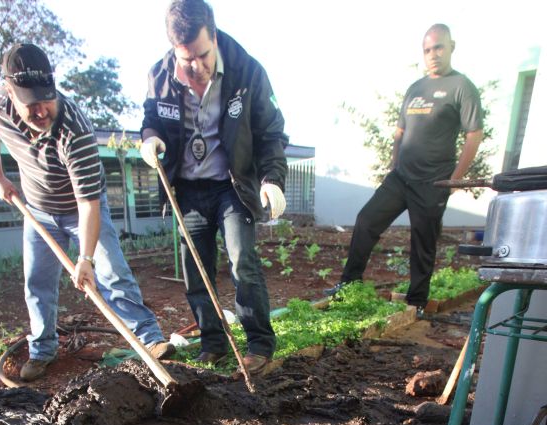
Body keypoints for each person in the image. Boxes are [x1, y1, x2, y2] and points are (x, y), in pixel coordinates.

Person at [0, 43, 174, 382]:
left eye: (46, 99)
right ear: (9, 91)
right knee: (37, 281)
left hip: (81, 209)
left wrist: (85, 259)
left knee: (112, 273)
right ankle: (42, 349)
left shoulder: (74, 130)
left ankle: (149, 339)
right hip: (37, 210)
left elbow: (88, 204)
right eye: (31, 104)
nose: (41, 111)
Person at [140, 0, 288, 375]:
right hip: (188, 191)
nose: (197, 67)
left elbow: (271, 133)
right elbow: (151, 117)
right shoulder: (159, 76)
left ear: (214, 37)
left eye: (203, 56)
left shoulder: (246, 71)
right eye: (186, 59)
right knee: (196, 271)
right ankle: (213, 343)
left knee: (242, 261)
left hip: (232, 187)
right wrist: (150, 138)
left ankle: (259, 345)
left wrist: (272, 179)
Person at [326, 24, 483, 315]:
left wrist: (455, 180)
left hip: (433, 182)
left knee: (423, 242)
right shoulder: (416, 88)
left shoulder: (461, 86)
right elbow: (400, 131)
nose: (433, 54)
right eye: (427, 50)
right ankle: (348, 285)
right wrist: (394, 165)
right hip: (401, 178)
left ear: (451, 47)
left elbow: (474, 134)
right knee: (366, 220)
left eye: (438, 47)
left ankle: (417, 302)